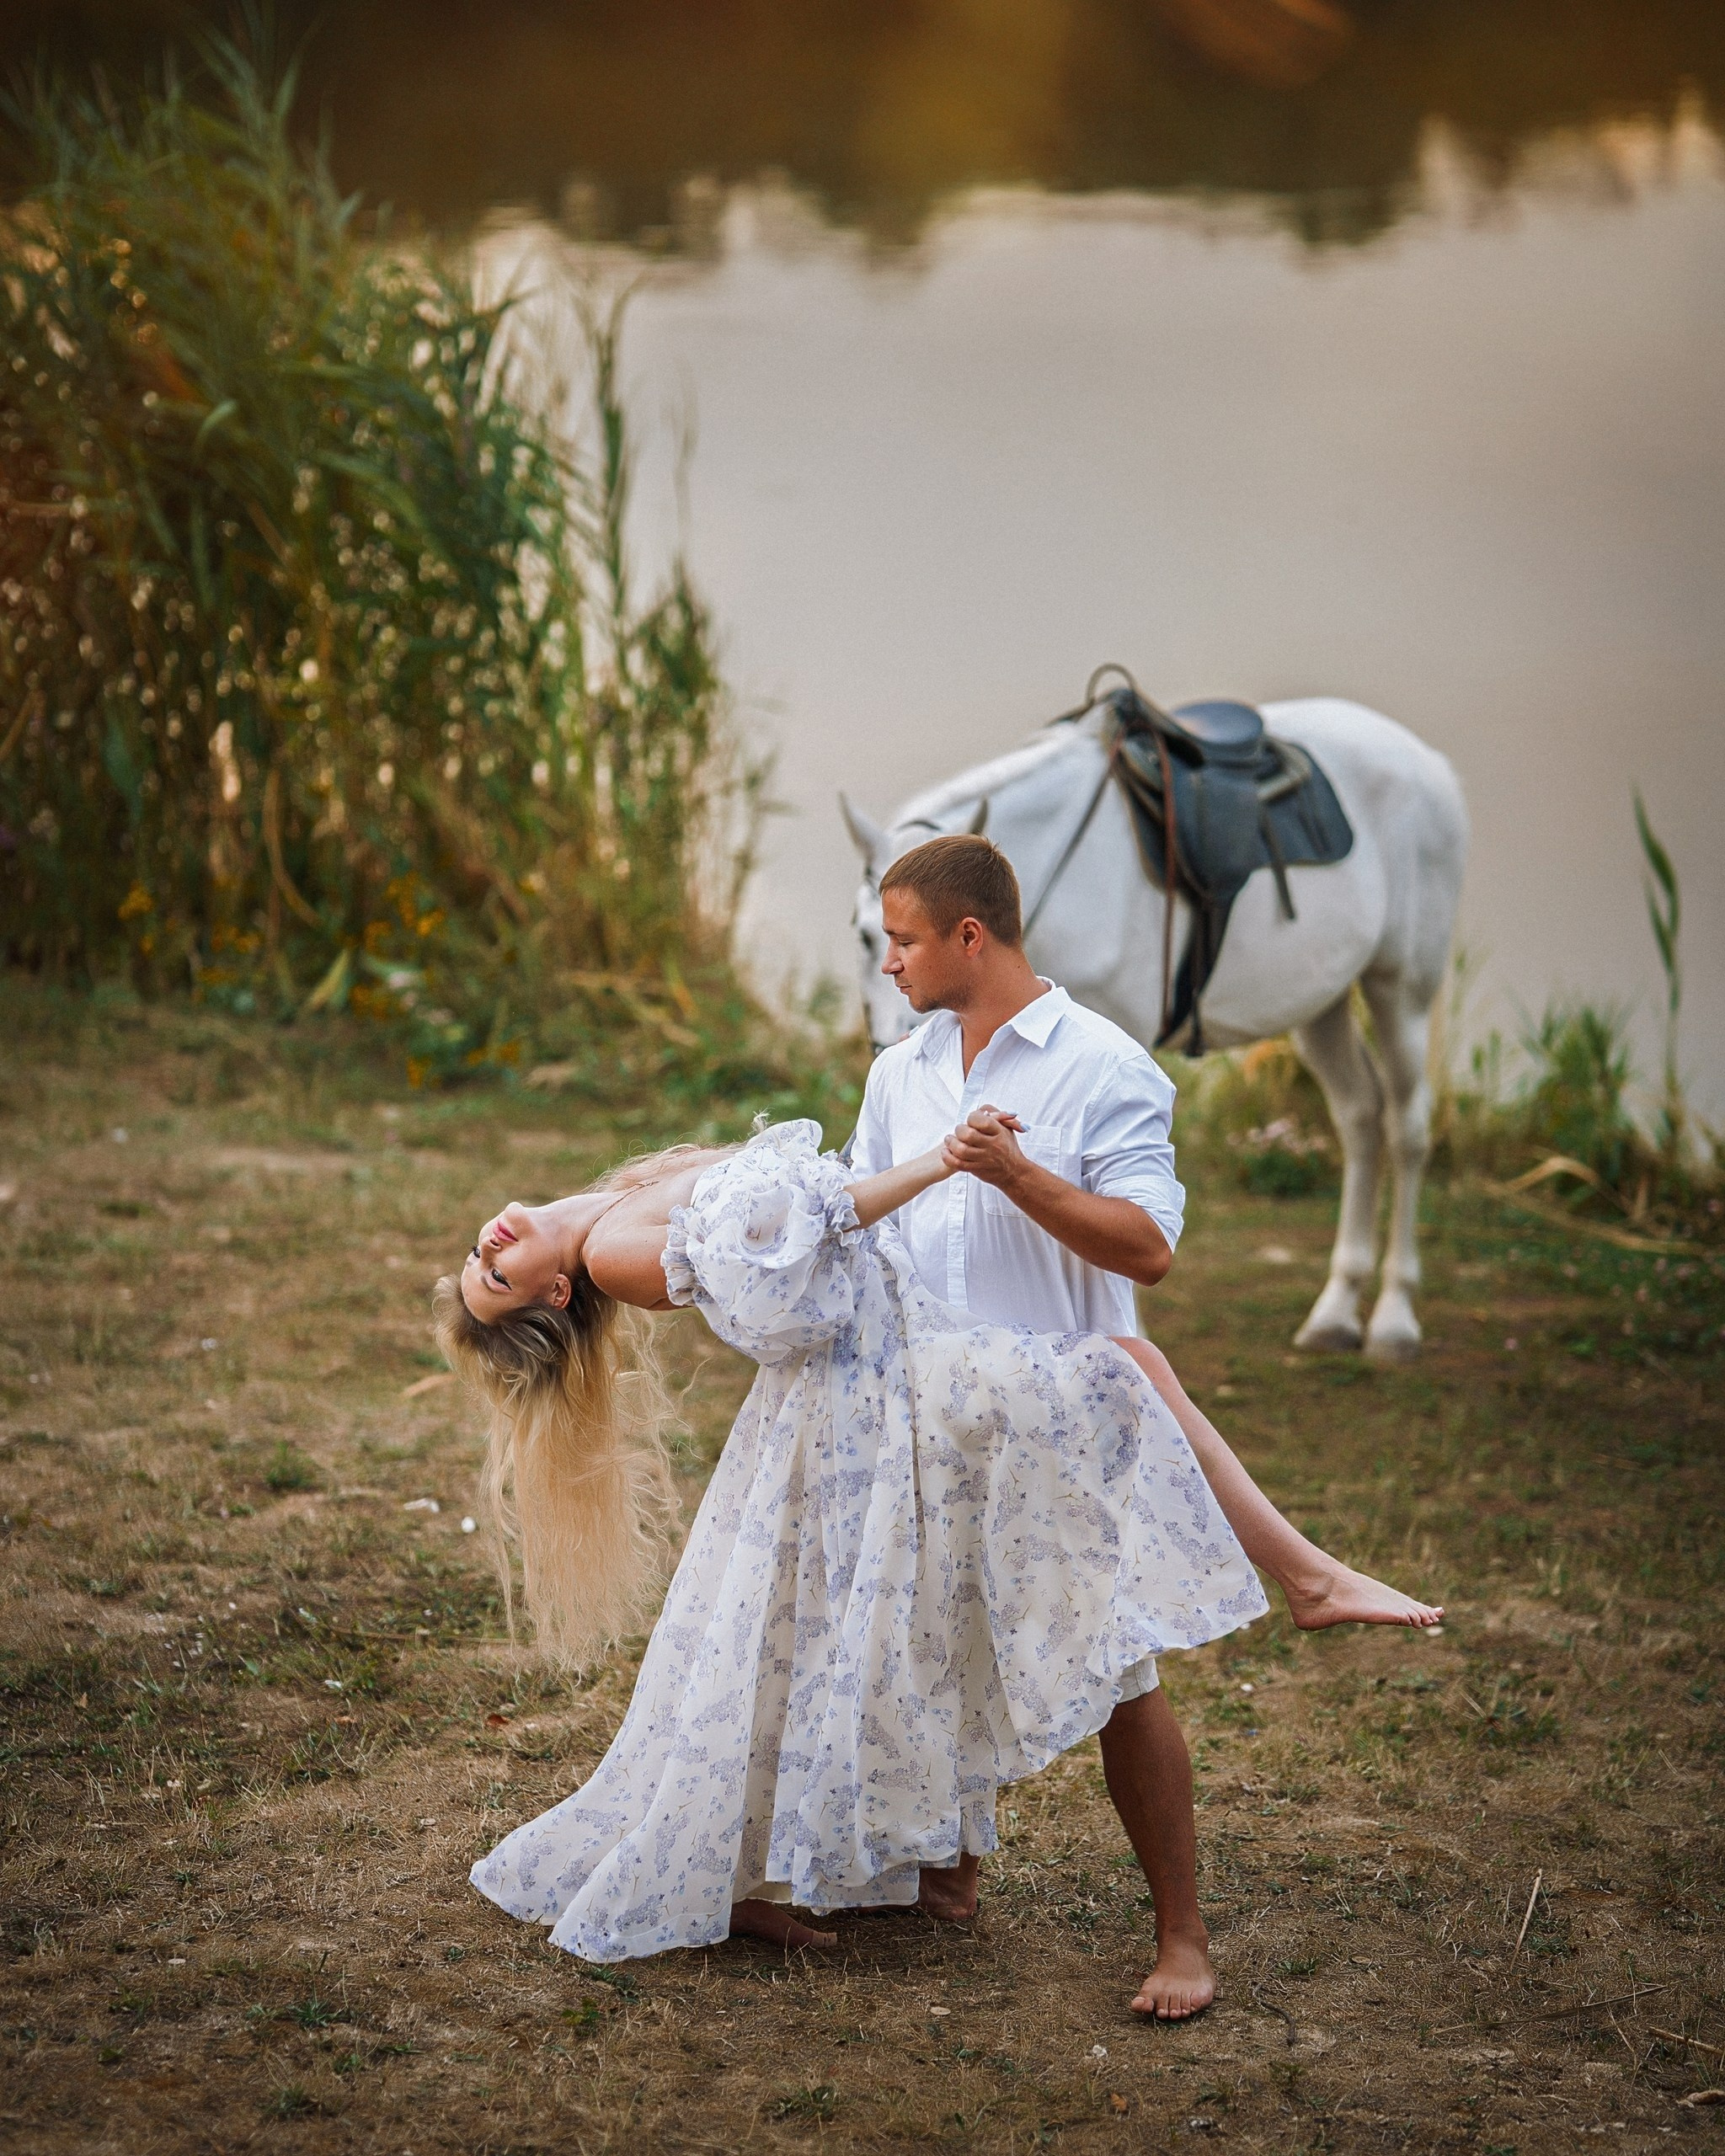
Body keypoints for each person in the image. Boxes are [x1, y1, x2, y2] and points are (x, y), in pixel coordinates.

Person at [846, 833, 1442, 2017]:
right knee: (931, 1643)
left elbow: (1148, 1251)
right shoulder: (897, 1070)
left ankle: (1183, 1937)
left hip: (1068, 1418)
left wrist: (1017, 1177)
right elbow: (873, 1230)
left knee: (1122, 1680)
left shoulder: (1105, 1068)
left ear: (972, 937)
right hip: (930, 1411)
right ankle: (948, 1874)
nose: (888, 963)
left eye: (902, 940)